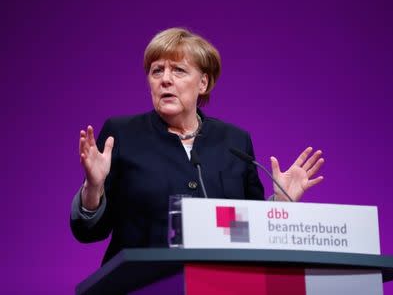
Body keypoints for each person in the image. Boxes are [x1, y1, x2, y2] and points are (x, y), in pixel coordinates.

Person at [70, 27, 324, 265]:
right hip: (140, 283)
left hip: (220, 283)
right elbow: (90, 231)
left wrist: (280, 203)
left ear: (203, 83)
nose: (165, 80)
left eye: (178, 70)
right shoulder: (122, 135)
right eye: (157, 70)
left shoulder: (234, 141)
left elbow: (250, 231)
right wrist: (93, 188)